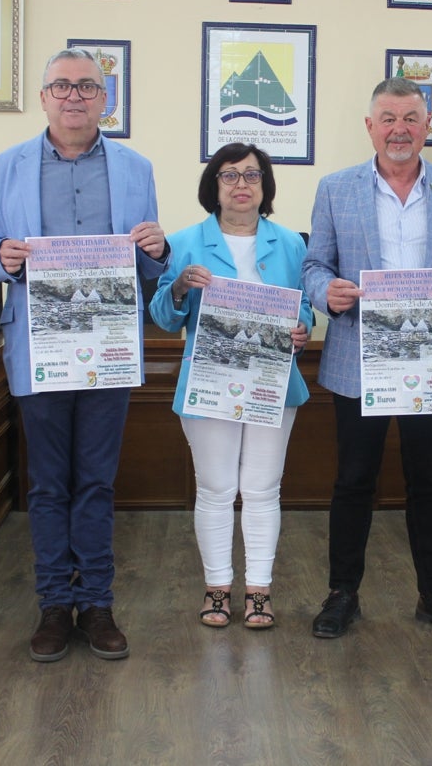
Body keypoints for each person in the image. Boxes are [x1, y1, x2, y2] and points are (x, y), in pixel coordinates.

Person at [0, 48, 170, 663]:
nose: (74, 96)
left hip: (109, 347)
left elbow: (148, 261)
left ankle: (100, 606)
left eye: (87, 85)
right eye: (61, 86)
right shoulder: (3, 167)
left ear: (104, 98)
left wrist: (157, 248)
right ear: (43, 98)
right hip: (41, 347)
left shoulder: (136, 168)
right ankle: (55, 606)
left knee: (96, 482)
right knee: (48, 484)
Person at [302, 77, 432, 639]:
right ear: (370, 127)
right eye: (388, 118)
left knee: (428, 481)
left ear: (427, 127)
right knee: (353, 480)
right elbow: (314, 265)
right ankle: (342, 593)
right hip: (359, 359)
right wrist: (324, 293)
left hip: (431, 363)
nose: (400, 130)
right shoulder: (336, 189)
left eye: (410, 118)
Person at [149, 142, 312, 630]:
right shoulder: (184, 242)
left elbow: (303, 308)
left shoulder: (290, 242)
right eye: (229, 175)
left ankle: (259, 591)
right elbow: (160, 316)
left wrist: (301, 329)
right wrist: (178, 287)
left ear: (266, 186)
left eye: (252, 175)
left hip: (272, 383)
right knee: (216, 489)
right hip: (209, 384)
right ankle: (217, 588)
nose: (241, 185)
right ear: (213, 186)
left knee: (263, 489)